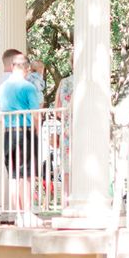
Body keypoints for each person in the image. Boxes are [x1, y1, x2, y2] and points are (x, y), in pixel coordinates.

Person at [0, 52, 40, 226]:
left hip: (8, 133)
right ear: (26, 68)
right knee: (27, 174)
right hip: (25, 132)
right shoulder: (28, 87)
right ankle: (28, 213)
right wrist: (37, 131)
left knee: (14, 175)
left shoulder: (3, 88)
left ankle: (18, 214)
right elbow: (35, 113)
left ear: (12, 66)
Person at [55, 71, 73, 201]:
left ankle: (66, 201)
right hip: (88, 129)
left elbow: (57, 109)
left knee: (67, 167)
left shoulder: (64, 82)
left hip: (67, 128)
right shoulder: (90, 82)